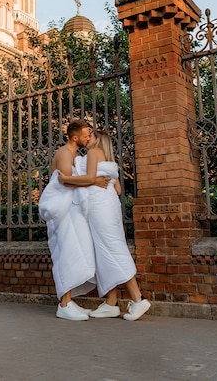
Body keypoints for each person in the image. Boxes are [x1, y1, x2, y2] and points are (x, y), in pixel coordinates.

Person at [59, 129, 151, 321]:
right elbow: (117, 189)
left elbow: (91, 178)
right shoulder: (109, 160)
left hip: (99, 206)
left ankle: (137, 298)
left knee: (112, 248)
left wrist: (66, 179)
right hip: (110, 205)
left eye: (91, 135)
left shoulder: (93, 152)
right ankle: (111, 302)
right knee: (105, 250)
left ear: (98, 140)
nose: (88, 137)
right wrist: (98, 181)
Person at [38, 120, 99, 320]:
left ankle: (69, 301)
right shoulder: (64, 154)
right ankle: (64, 304)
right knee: (65, 254)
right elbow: (66, 180)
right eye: (85, 135)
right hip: (62, 212)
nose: (88, 138)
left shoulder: (74, 154)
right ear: (75, 138)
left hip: (71, 211)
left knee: (75, 252)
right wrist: (93, 179)